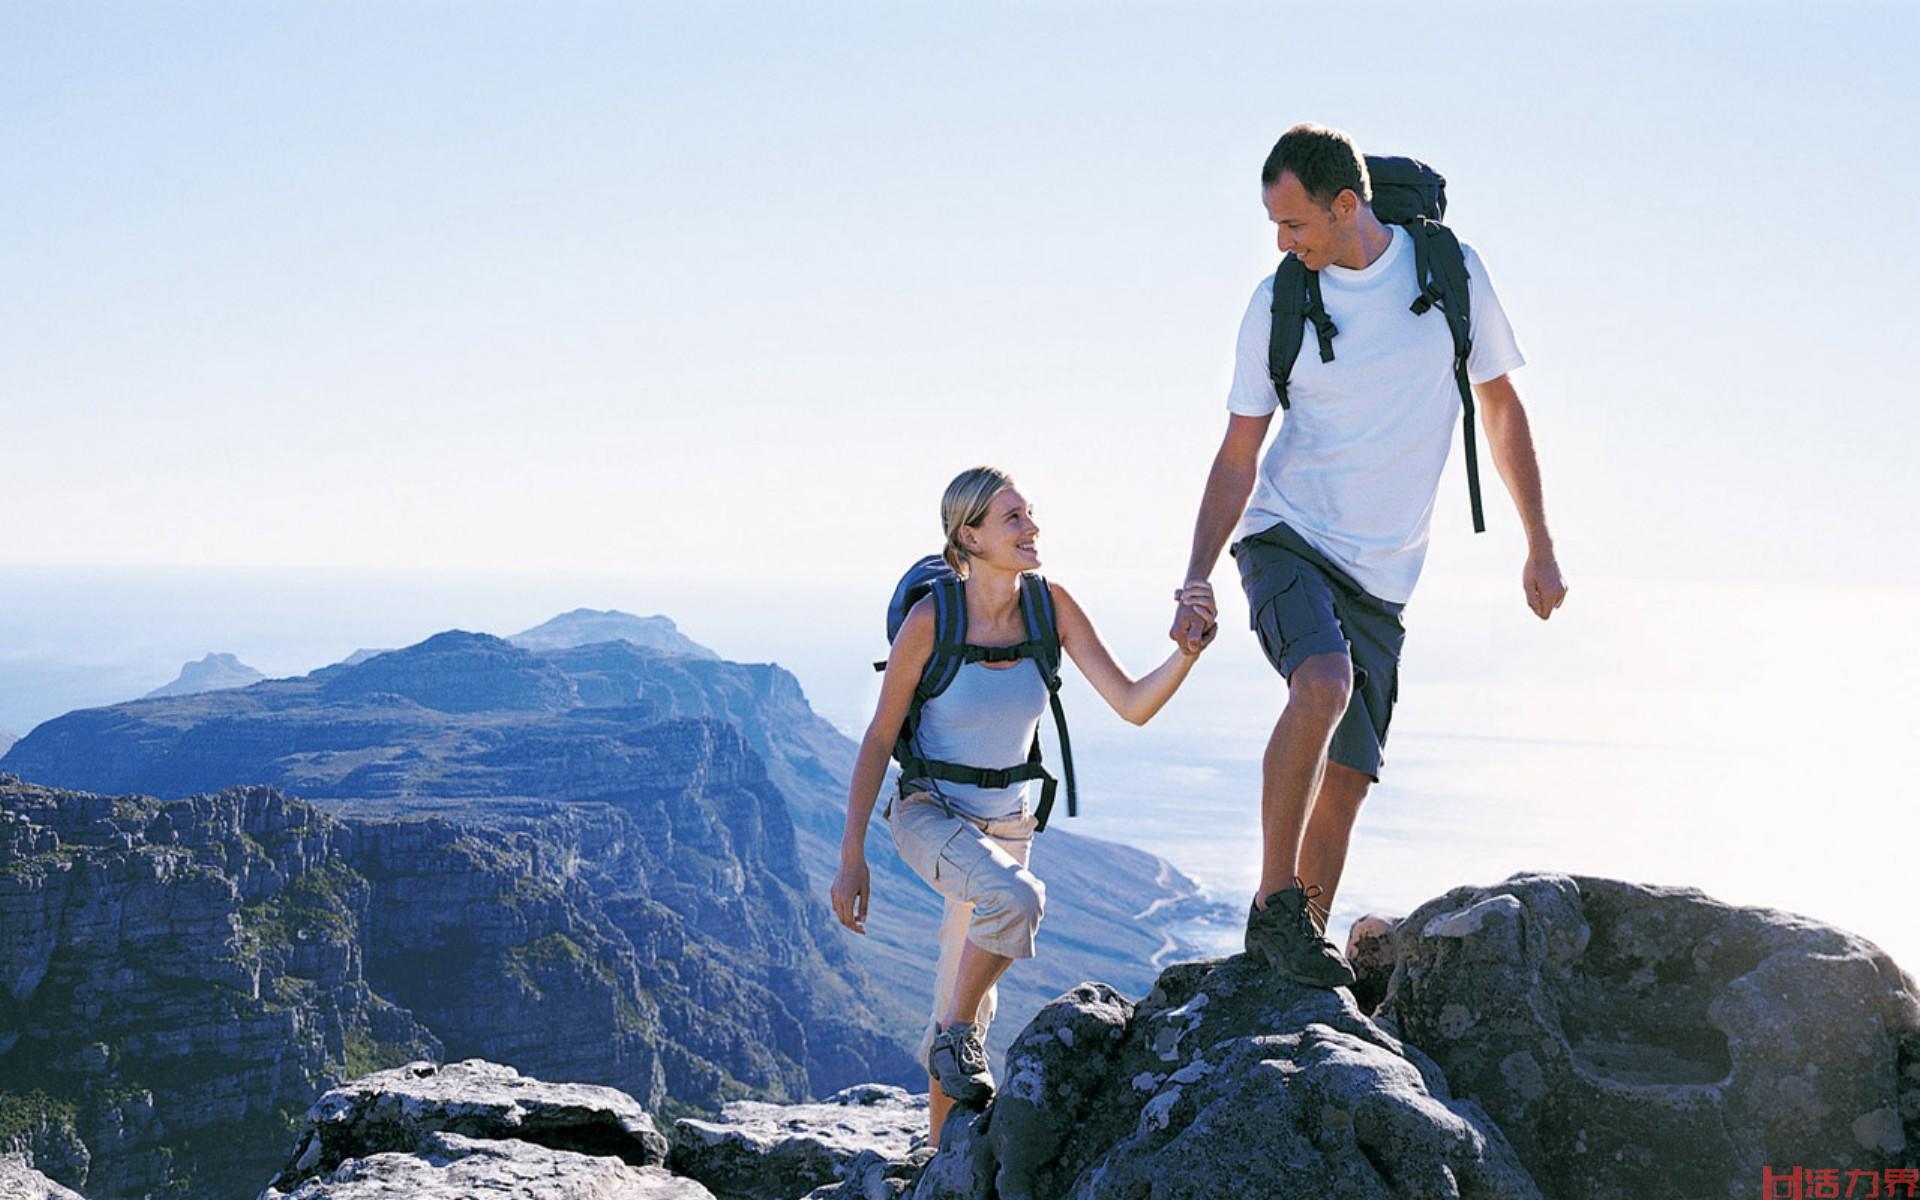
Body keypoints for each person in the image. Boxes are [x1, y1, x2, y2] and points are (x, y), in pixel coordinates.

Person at [1168, 123, 1569, 989]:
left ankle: (1296, 957)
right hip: (1288, 537)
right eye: (1274, 226)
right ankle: (1274, 911)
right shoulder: (1276, 305)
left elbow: (1501, 410)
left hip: (1385, 575)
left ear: (1346, 206)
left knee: (1348, 777)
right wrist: (1197, 572)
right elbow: (1239, 454)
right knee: (1321, 682)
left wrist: (1538, 540)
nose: (1283, 244)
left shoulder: (1448, 276)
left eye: (1295, 225)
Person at [831, 465, 1215, 1146]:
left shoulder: (1051, 607)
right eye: (1013, 518)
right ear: (969, 536)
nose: (1032, 527)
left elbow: (1130, 704)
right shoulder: (931, 620)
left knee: (967, 1006)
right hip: (930, 812)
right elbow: (879, 737)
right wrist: (851, 855)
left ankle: (939, 1165)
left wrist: (1184, 655)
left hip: (1008, 824)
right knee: (1017, 903)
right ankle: (952, 1039)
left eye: (1029, 514)